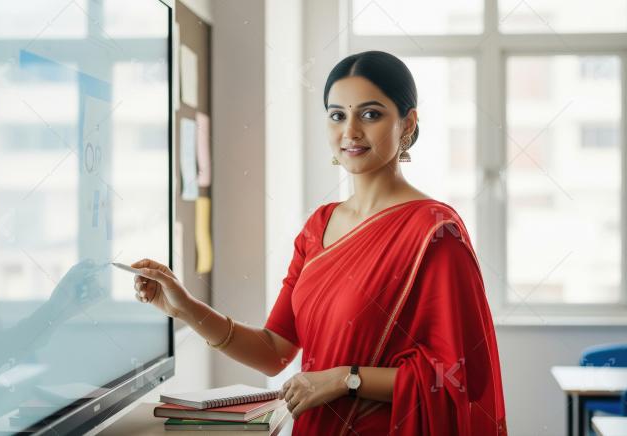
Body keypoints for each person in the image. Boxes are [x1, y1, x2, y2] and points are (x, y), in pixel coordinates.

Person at [132, 50, 507, 435]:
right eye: (337, 115)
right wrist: (184, 307)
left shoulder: (435, 233)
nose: (351, 131)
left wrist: (347, 379)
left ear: (407, 123)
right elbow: (274, 351)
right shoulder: (319, 227)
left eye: (371, 114)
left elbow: (457, 378)